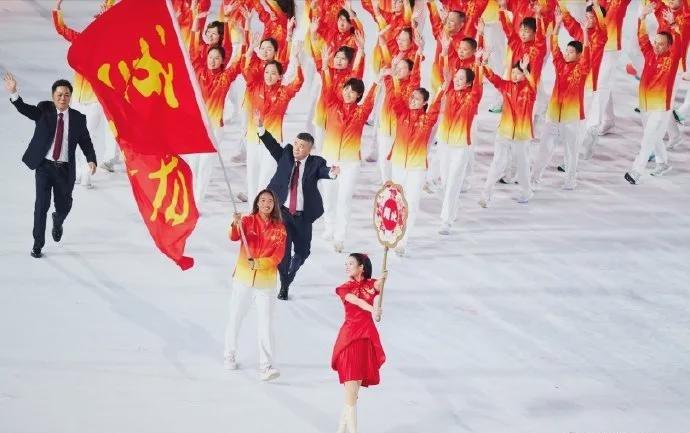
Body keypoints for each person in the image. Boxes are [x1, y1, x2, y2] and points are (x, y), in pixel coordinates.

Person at [4, 73, 97, 258]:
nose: (63, 98)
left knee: (64, 206)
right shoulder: (44, 109)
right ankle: (37, 244)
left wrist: (91, 159)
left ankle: (58, 220)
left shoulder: (78, 118)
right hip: (44, 168)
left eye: (66, 95)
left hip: (65, 170)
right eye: (59, 95)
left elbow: (86, 141)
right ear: (53, 96)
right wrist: (14, 93)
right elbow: (25, 109)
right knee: (41, 206)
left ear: (71, 96)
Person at [257, 118, 340, 300]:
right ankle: (284, 284)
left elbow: (325, 171)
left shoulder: (316, 163)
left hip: (304, 216)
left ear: (309, 149)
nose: (297, 148)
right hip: (284, 213)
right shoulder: (286, 155)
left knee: (303, 252)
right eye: (296, 143)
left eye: (302, 146)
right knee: (283, 251)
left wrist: (332, 173)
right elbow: (272, 146)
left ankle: (290, 275)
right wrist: (261, 128)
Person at [223, 189, 287, 381]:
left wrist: (259, 264)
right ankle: (229, 355)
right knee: (235, 317)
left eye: (270, 201)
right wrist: (235, 224)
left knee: (265, 324)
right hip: (243, 279)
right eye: (263, 200)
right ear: (257, 203)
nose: (266, 203)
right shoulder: (247, 221)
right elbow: (233, 236)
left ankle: (266, 366)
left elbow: (278, 256)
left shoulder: (280, 229)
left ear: (274, 205)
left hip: (265, 284)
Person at [532, 11, 591, 190]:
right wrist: (557, 24)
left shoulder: (582, 69)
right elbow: (554, 45)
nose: (567, 53)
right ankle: (534, 178)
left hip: (571, 117)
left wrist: (585, 31)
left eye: (571, 52)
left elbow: (588, 51)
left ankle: (570, 180)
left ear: (579, 55)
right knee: (544, 148)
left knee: (570, 151)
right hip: (553, 115)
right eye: (567, 50)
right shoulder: (559, 64)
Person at [624, 5, 683, 184]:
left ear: (669, 46)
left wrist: (674, 25)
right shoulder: (650, 53)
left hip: (660, 107)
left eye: (661, 44)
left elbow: (679, 43)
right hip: (645, 104)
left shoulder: (672, 59)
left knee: (648, 138)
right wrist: (641, 18)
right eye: (655, 42)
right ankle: (662, 162)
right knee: (653, 136)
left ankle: (636, 171)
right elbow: (642, 37)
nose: (656, 46)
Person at [331, 253, 386, 433]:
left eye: (351, 263)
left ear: (361, 267)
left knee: (352, 396)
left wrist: (384, 278)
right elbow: (357, 301)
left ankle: (341, 430)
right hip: (349, 340)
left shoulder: (371, 285)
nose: (347, 266)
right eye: (346, 264)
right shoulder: (344, 288)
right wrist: (373, 309)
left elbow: (378, 287)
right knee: (350, 394)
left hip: (366, 341)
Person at [480, 55, 536, 206]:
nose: (515, 75)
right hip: (504, 132)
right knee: (497, 162)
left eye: (519, 73)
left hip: (522, 135)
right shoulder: (506, 86)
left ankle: (527, 191)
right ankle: (486, 193)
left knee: (522, 164)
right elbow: (493, 78)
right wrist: (483, 64)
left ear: (525, 74)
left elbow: (533, 84)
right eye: (513, 72)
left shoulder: (529, 90)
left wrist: (526, 71)